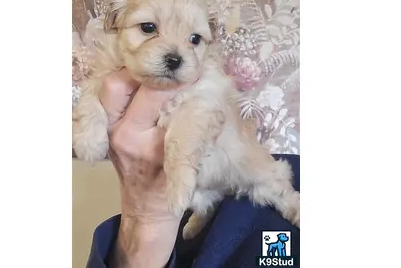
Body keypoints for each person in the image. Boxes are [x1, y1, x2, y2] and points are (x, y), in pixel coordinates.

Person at [85, 69, 300, 268]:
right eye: (148, 27)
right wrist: (146, 217)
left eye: (195, 39)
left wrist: (150, 211)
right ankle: (205, 210)